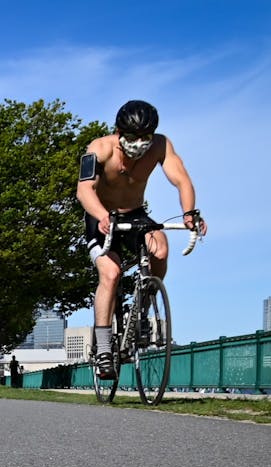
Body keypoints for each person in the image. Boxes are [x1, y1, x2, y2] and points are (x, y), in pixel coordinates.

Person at [76, 100, 208, 379]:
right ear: (118, 132)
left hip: (135, 214)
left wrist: (189, 213)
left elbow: (181, 179)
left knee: (160, 249)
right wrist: (101, 215)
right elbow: (84, 190)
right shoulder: (98, 149)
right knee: (110, 273)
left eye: (145, 137)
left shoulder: (160, 146)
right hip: (101, 215)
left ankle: (141, 314)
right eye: (132, 137)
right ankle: (102, 349)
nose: (139, 144)